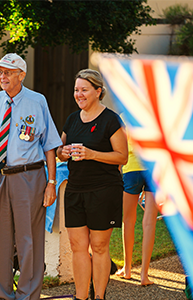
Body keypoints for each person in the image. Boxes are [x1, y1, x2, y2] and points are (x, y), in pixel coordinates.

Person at [0, 53, 62, 300]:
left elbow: (50, 145)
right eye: (0, 72)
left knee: (28, 239)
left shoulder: (37, 101)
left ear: (22, 75)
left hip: (28, 177)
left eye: (8, 72)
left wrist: (51, 183)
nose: (2, 76)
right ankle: (3, 295)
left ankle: (27, 295)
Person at [57, 69, 128, 300]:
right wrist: (63, 152)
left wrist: (92, 154)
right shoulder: (72, 119)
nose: (79, 94)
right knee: (77, 246)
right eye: (76, 90)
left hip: (104, 190)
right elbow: (59, 151)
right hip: (76, 190)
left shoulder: (111, 120)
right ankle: (80, 297)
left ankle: (99, 297)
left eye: (84, 90)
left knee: (98, 246)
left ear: (98, 91)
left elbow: (122, 157)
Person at [115, 130, 159, 286]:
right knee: (149, 222)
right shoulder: (152, 113)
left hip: (131, 169)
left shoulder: (124, 116)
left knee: (128, 220)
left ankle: (127, 269)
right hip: (152, 168)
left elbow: (120, 148)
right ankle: (144, 275)